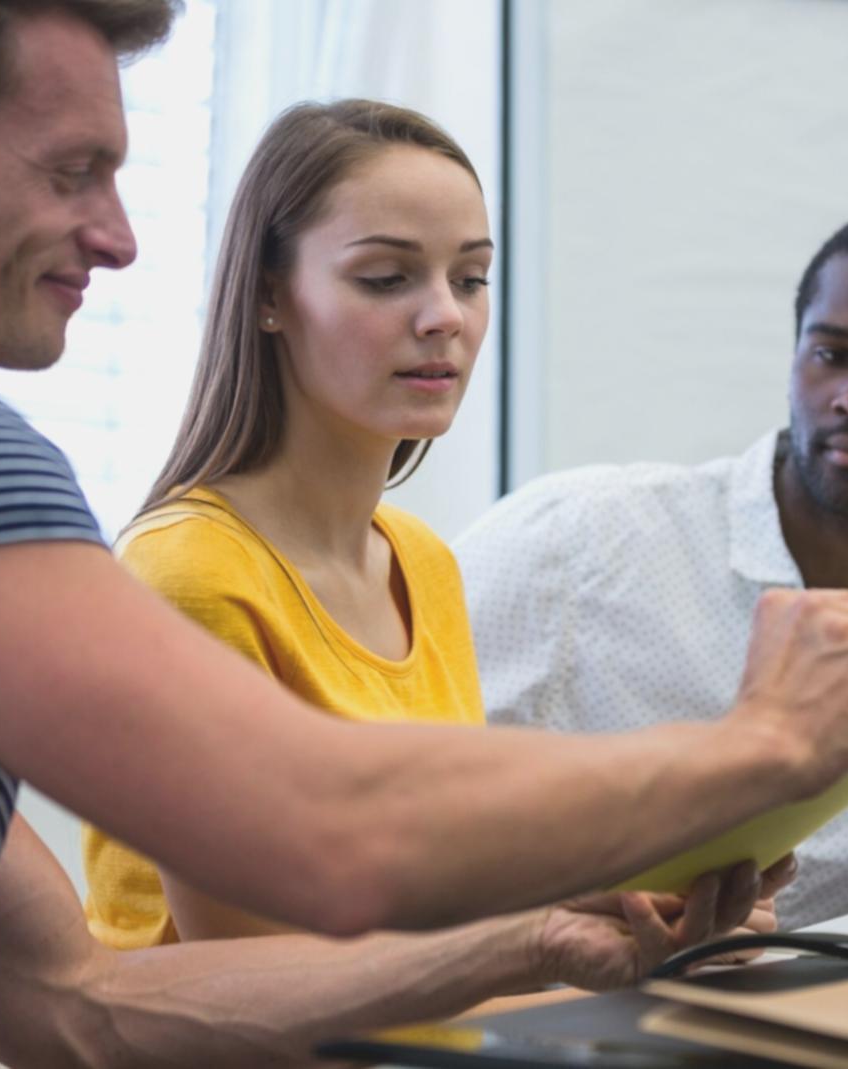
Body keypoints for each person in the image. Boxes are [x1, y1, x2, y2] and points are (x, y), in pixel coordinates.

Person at [0, 3, 848, 1065]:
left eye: (470, 277)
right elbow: (324, 830)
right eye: (70, 174)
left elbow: (73, 1004)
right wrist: (764, 747)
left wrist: (537, 938)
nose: (119, 237)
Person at [79, 96, 793, 982]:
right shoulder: (188, 571)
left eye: (471, 277)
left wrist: (621, 896)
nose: (445, 317)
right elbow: (256, 966)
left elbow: (423, 892)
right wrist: (544, 935)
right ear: (269, 296)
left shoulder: (421, 560)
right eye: (386, 278)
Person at [456, 207, 848, 931]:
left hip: (808, 1027)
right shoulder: (574, 539)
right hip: (536, 1010)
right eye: (830, 354)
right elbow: (405, 811)